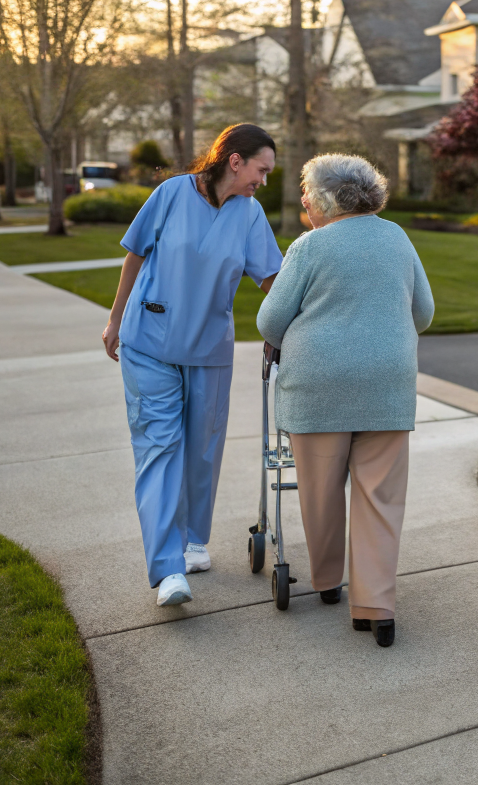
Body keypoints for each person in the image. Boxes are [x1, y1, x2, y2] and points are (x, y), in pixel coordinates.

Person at [257, 154, 434, 647]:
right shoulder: (396, 236)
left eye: (307, 195)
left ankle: (328, 581)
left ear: (327, 200)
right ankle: (376, 607)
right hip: (386, 383)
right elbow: (424, 312)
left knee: (320, 490)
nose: (304, 204)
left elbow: (270, 323)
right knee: (380, 497)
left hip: (319, 386)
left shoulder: (309, 247)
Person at [103, 124, 284, 608]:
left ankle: (193, 540)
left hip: (208, 349)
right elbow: (134, 256)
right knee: (160, 447)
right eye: (261, 170)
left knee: (203, 447)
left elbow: (271, 278)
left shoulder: (249, 213)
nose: (263, 181)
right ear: (235, 161)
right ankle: (167, 570)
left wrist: (302, 318)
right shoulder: (169, 194)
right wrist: (115, 318)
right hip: (150, 344)